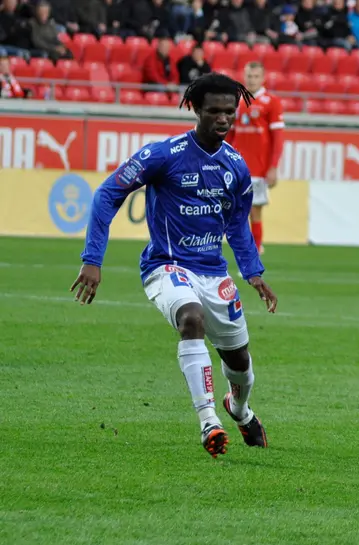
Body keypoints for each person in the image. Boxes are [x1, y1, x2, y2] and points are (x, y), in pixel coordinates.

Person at [70, 73, 278, 459]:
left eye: (230, 112)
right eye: (214, 110)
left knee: (240, 363)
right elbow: (106, 194)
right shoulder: (162, 155)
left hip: (214, 273)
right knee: (191, 318)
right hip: (167, 265)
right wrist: (92, 259)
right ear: (195, 109)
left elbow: (236, 223)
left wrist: (253, 272)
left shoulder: (236, 166)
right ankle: (209, 421)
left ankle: (239, 408)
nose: (223, 118)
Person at [226, 62, 285, 255]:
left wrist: (273, 166)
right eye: (249, 76)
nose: (251, 80)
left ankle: (256, 249)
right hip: (237, 166)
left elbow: (278, 137)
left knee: (254, 211)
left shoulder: (272, 102)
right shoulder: (239, 100)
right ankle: (238, 247)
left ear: (263, 78)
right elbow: (231, 134)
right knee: (231, 209)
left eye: (255, 76)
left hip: (258, 168)